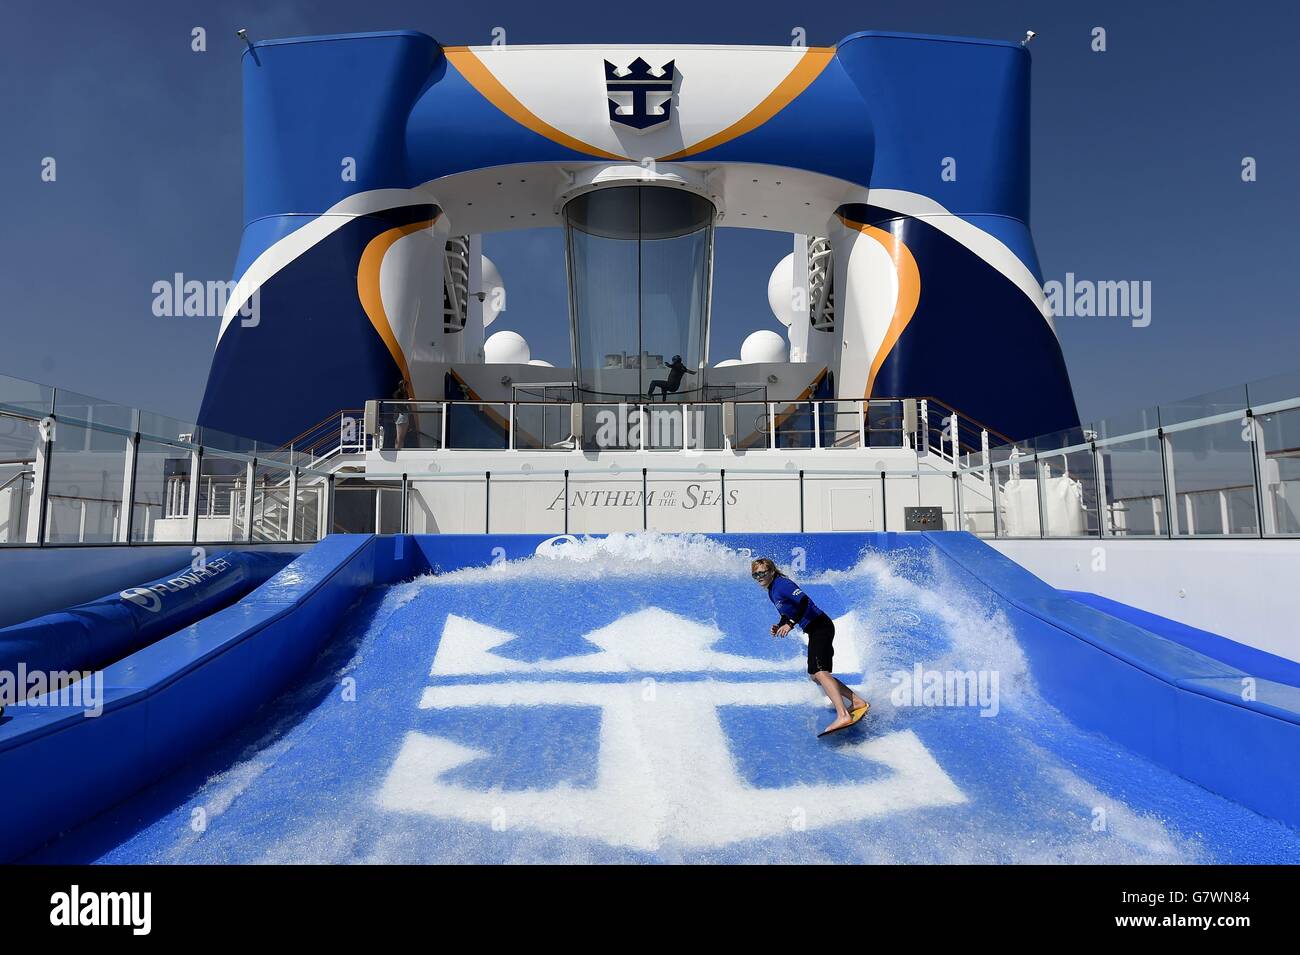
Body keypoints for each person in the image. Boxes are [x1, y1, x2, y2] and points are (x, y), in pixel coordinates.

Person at [752, 557, 869, 736]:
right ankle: (857, 701)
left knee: (821, 672)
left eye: (762, 572)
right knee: (816, 676)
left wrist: (790, 624)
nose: (759, 576)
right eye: (755, 574)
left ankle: (843, 714)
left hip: (820, 625)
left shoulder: (782, 584)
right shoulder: (771, 591)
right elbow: (787, 612)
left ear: (772, 571)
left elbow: (804, 602)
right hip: (814, 629)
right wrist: (780, 624)